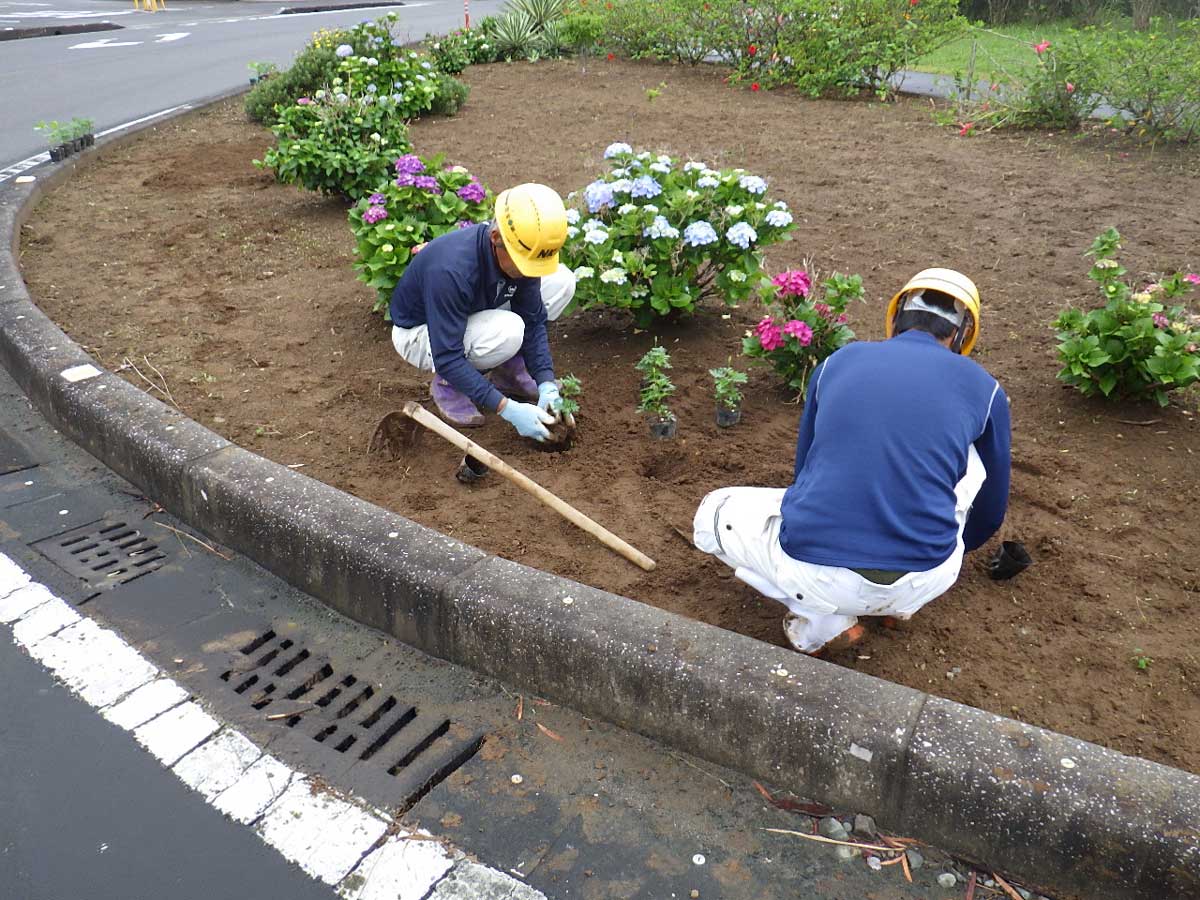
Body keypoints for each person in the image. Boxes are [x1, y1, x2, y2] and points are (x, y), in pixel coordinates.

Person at [693, 268, 1011, 654]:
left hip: (816, 574)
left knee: (712, 512)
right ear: (962, 334)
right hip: (928, 572)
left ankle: (824, 626)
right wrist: (940, 545)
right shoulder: (985, 388)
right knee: (974, 453)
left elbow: (804, 471)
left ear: (894, 319)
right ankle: (902, 606)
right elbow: (991, 508)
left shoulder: (837, 362)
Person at [388, 183, 577, 442]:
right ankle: (448, 385)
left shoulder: (520, 251)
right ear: (496, 238)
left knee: (561, 280)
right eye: (524, 263)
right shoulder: (451, 270)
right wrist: (506, 408)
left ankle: (510, 372)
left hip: (474, 310)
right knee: (509, 331)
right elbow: (448, 356)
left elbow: (533, 320)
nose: (529, 272)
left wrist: (545, 381)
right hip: (420, 334)